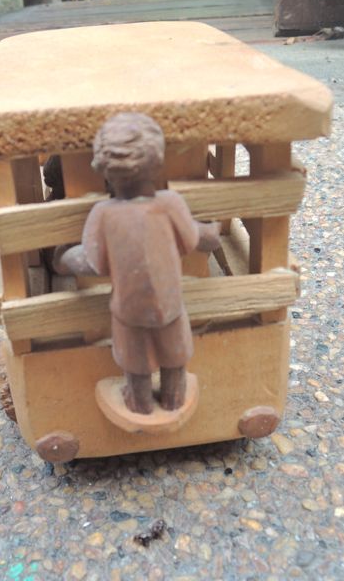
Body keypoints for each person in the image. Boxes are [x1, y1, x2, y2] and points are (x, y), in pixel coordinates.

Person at [54, 113, 221, 415]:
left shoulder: (103, 213)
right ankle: (173, 400)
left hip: (129, 312)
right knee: (175, 360)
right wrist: (213, 231)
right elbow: (196, 238)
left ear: (102, 169)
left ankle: (139, 404)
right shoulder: (170, 204)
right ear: (158, 163)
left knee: (137, 367)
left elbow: (92, 263)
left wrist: (63, 259)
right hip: (170, 306)